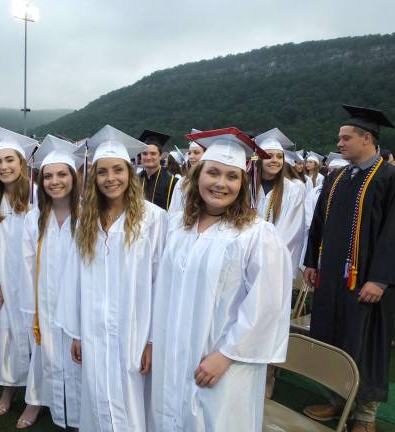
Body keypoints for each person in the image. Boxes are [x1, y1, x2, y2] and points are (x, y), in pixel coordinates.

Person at [150, 128, 292, 431]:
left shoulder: (256, 234)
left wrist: (226, 355)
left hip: (222, 361)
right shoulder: (175, 226)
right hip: (172, 352)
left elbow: (267, 306)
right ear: (197, 175)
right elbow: (158, 288)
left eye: (232, 176)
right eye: (212, 172)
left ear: (243, 184)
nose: (220, 183)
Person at [56, 125, 167, 431]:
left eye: (118, 170)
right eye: (102, 172)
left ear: (130, 173)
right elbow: (74, 279)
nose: (110, 178)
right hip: (94, 330)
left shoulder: (154, 219)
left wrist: (154, 340)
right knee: (97, 395)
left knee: (133, 402)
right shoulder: (85, 220)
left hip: (135, 331)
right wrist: (77, 332)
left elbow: (162, 283)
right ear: (94, 178)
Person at [303, 105, 395, 432]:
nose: (338, 143)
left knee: (365, 344)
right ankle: (336, 401)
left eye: (346, 138)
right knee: (333, 338)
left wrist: (381, 279)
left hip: (366, 284)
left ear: (367, 138)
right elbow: (318, 224)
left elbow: (392, 233)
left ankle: (365, 415)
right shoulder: (338, 176)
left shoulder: (388, 177)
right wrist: (312, 262)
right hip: (332, 280)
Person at [19, 135, 82, 429]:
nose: (54, 181)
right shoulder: (35, 218)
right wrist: (29, 306)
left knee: (77, 355)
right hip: (45, 298)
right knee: (46, 352)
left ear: (74, 177)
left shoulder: (89, 216)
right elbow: (28, 266)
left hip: (79, 300)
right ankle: (37, 399)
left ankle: (81, 410)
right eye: (48, 176)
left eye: (61, 174)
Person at [0, 125, 39, 425]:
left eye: (9, 160)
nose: (3, 167)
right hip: (7, 281)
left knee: (35, 338)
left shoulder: (38, 195)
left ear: (22, 163)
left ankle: (35, 399)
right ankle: (9, 388)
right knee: (8, 335)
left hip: (35, 282)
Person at [254, 128, 305, 273]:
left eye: (279, 156)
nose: (275, 160)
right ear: (259, 159)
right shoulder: (247, 187)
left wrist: (265, 254)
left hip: (272, 261)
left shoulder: (292, 190)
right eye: (269, 156)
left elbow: (291, 230)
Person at [168, 132, 207, 213]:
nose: (191, 157)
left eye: (196, 152)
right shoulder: (182, 182)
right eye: (189, 153)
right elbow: (173, 210)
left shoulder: (211, 182)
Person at [138, 129, 176, 210]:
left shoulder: (173, 181)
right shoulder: (135, 180)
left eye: (153, 153)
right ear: (140, 156)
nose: (148, 157)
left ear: (160, 156)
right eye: (144, 153)